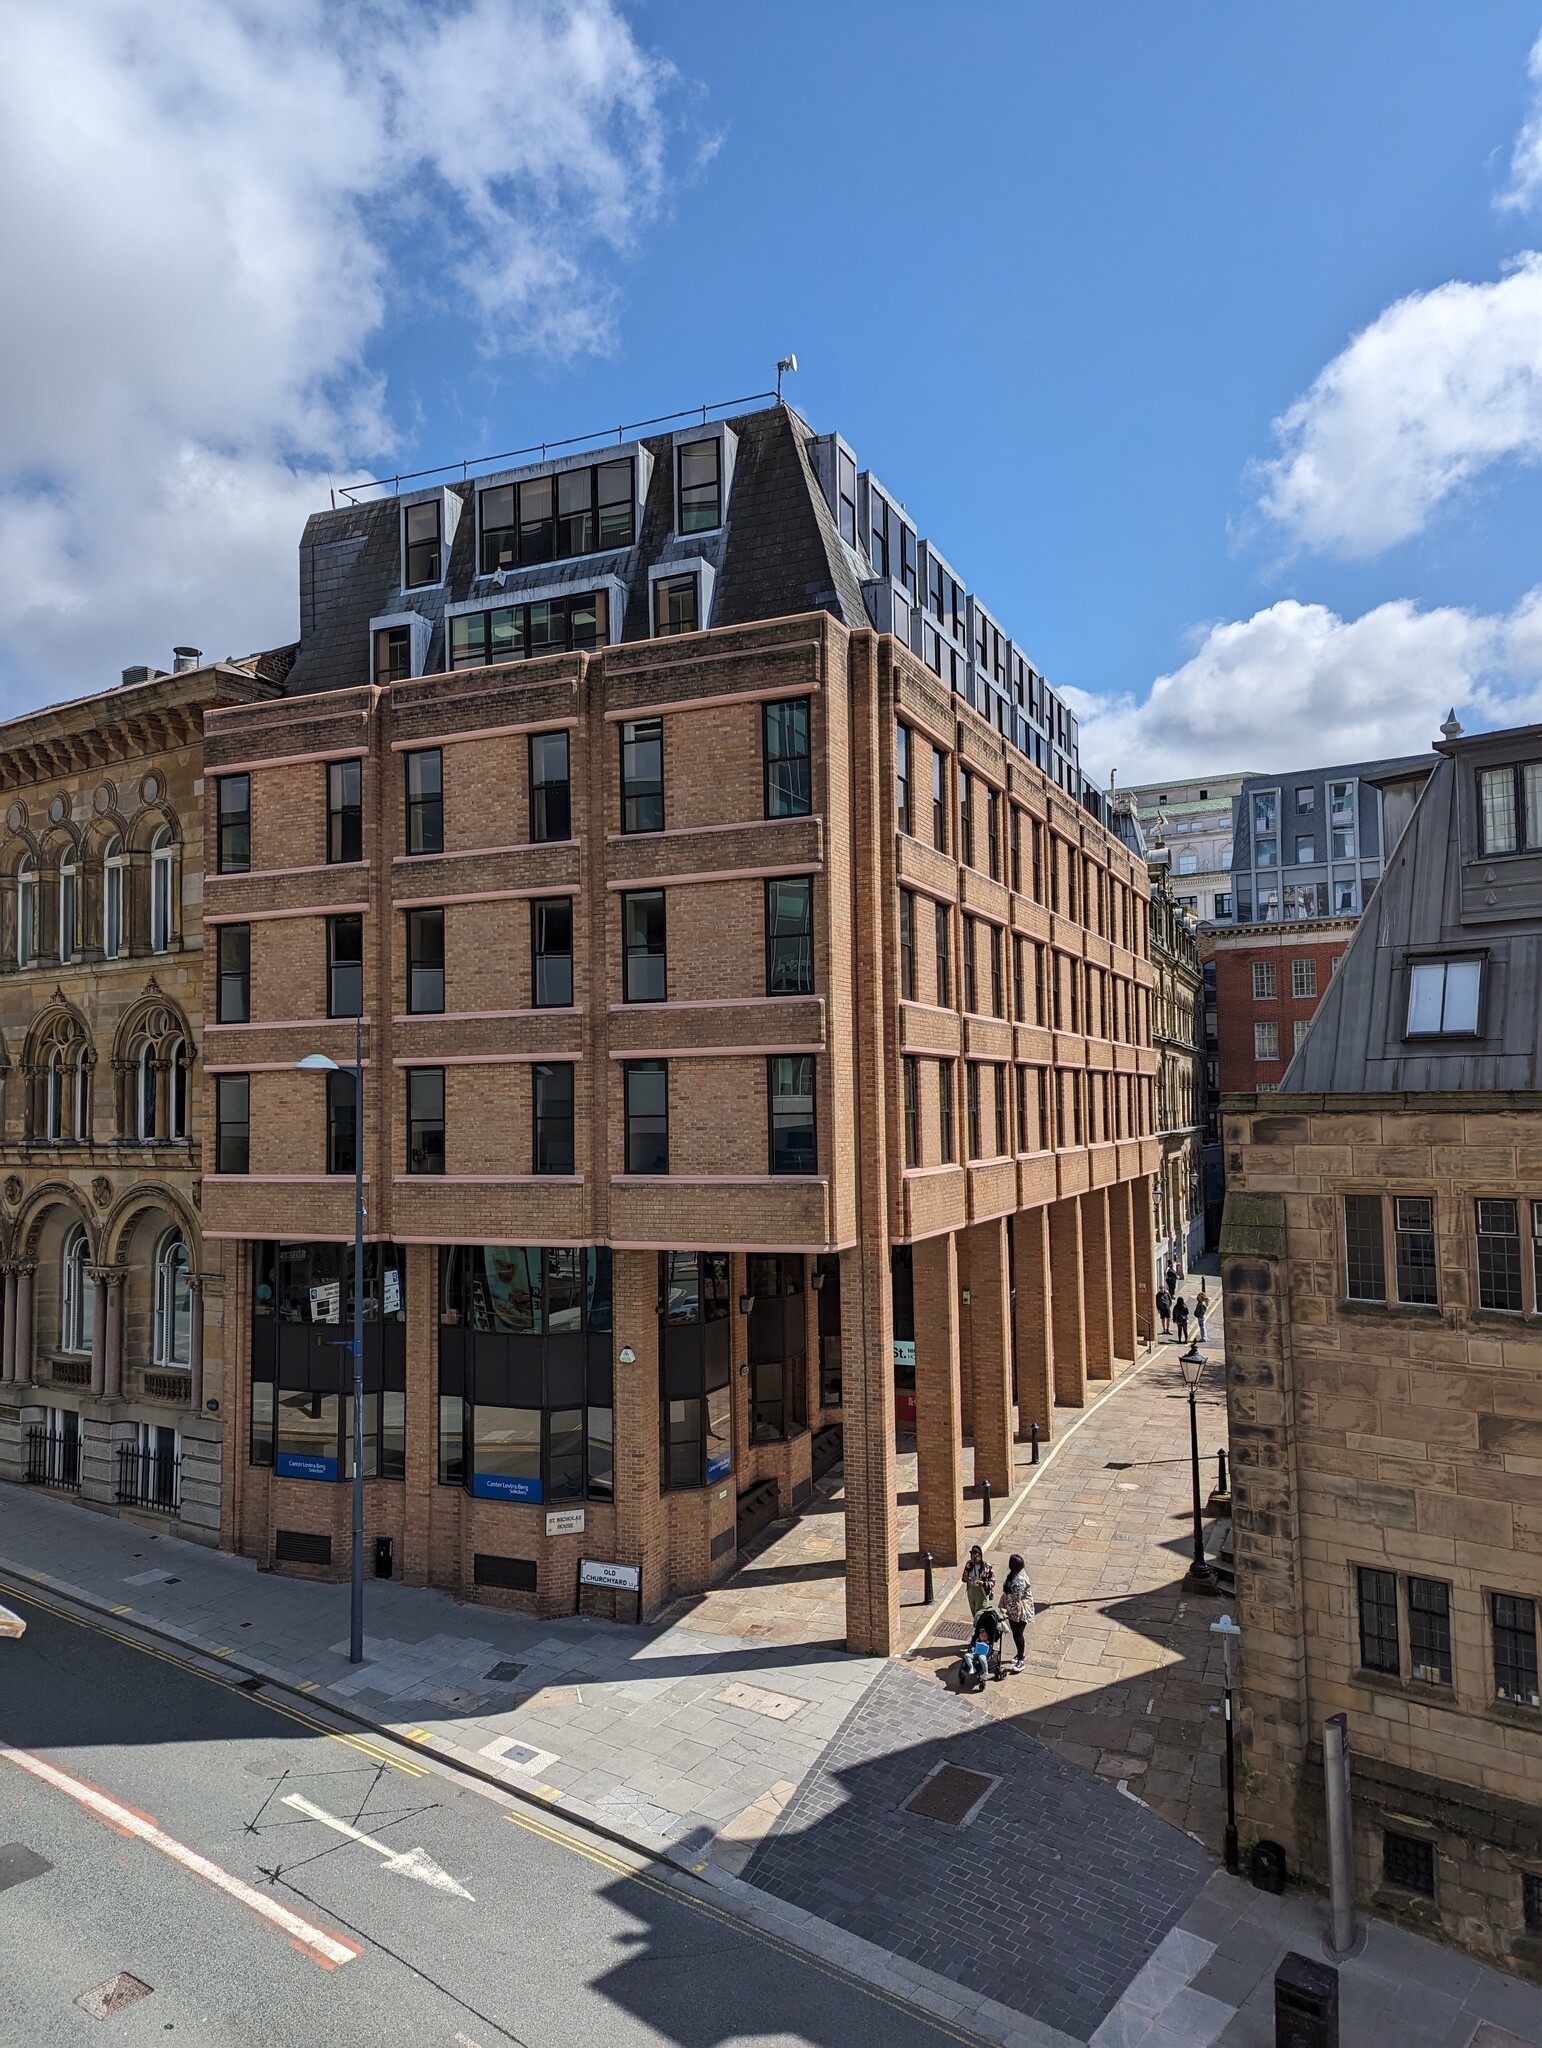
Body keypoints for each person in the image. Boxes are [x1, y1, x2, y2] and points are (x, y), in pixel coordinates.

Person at [1000, 1553, 1034, 1672]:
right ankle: (1020, 1653)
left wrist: (1005, 1608)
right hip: (1014, 1609)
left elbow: (1015, 1598)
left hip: (1019, 1611)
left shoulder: (1019, 1580)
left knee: (1018, 1635)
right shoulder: (1017, 1574)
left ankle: (1021, 1660)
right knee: (1017, 1634)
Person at [964, 1602, 1004, 1686]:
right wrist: (972, 1649)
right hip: (975, 1653)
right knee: (967, 1655)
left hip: (983, 1654)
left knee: (982, 1659)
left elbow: (988, 1649)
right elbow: (973, 1646)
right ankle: (972, 1667)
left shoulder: (988, 1642)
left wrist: (985, 1645)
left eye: (985, 1636)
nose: (983, 1638)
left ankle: (985, 1672)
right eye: (982, 1636)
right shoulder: (977, 1639)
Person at [962, 1544, 994, 1616]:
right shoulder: (969, 1564)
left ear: (980, 1557)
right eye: (971, 1556)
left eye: (975, 1557)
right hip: (971, 1591)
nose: (973, 1559)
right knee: (974, 1613)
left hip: (981, 1593)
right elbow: (963, 1578)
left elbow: (992, 1582)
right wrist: (966, 1578)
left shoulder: (987, 1567)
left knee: (980, 1613)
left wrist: (983, 1583)